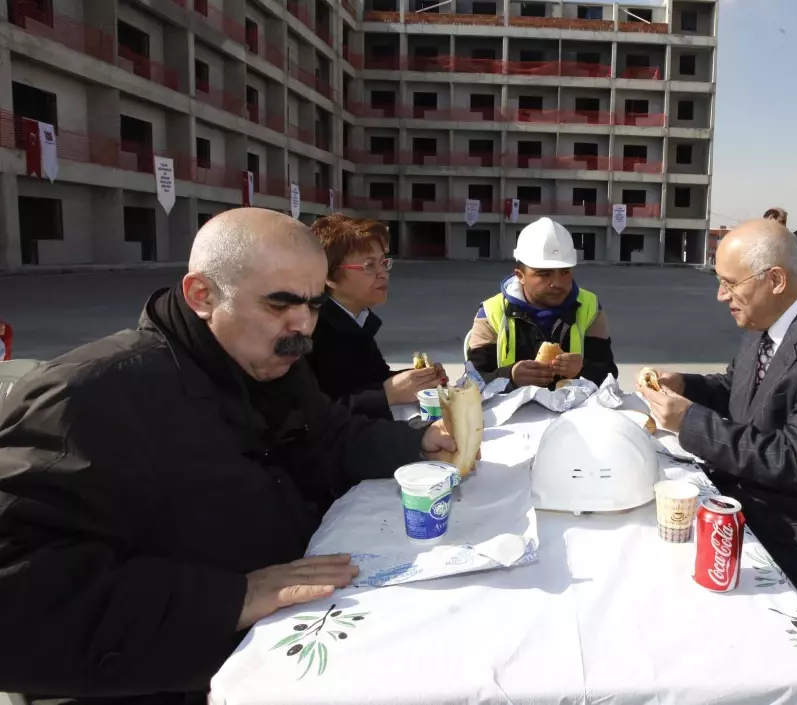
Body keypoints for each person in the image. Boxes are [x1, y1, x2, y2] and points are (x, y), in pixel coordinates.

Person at [0, 208, 460, 703]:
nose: (303, 327)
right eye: (280, 304)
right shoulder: (88, 397)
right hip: (177, 678)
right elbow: (18, 598)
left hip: (299, 632)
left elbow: (325, 436)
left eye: (314, 305)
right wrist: (231, 598)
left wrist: (415, 441)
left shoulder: (271, 360)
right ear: (203, 294)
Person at [637, 218, 797, 585]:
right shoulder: (767, 319)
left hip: (790, 537)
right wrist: (685, 384)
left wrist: (689, 423)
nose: (720, 295)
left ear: (776, 280)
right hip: (739, 500)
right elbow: (736, 388)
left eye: (730, 284)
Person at [307, 214, 446, 419]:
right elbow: (315, 413)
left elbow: (372, 381)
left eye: (383, 262)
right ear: (329, 277)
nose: (383, 273)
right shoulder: (309, 331)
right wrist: (387, 394)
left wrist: (418, 380)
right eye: (369, 265)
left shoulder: (358, 320)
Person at [468, 217, 618, 388]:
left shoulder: (590, 307)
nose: (557, 283)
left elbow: (609, 375)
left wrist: (582, 369)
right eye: (544, 274)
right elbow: (472, 380)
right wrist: (510, 375)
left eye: (565, 272)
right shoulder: (491, 312)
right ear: (520, 276)